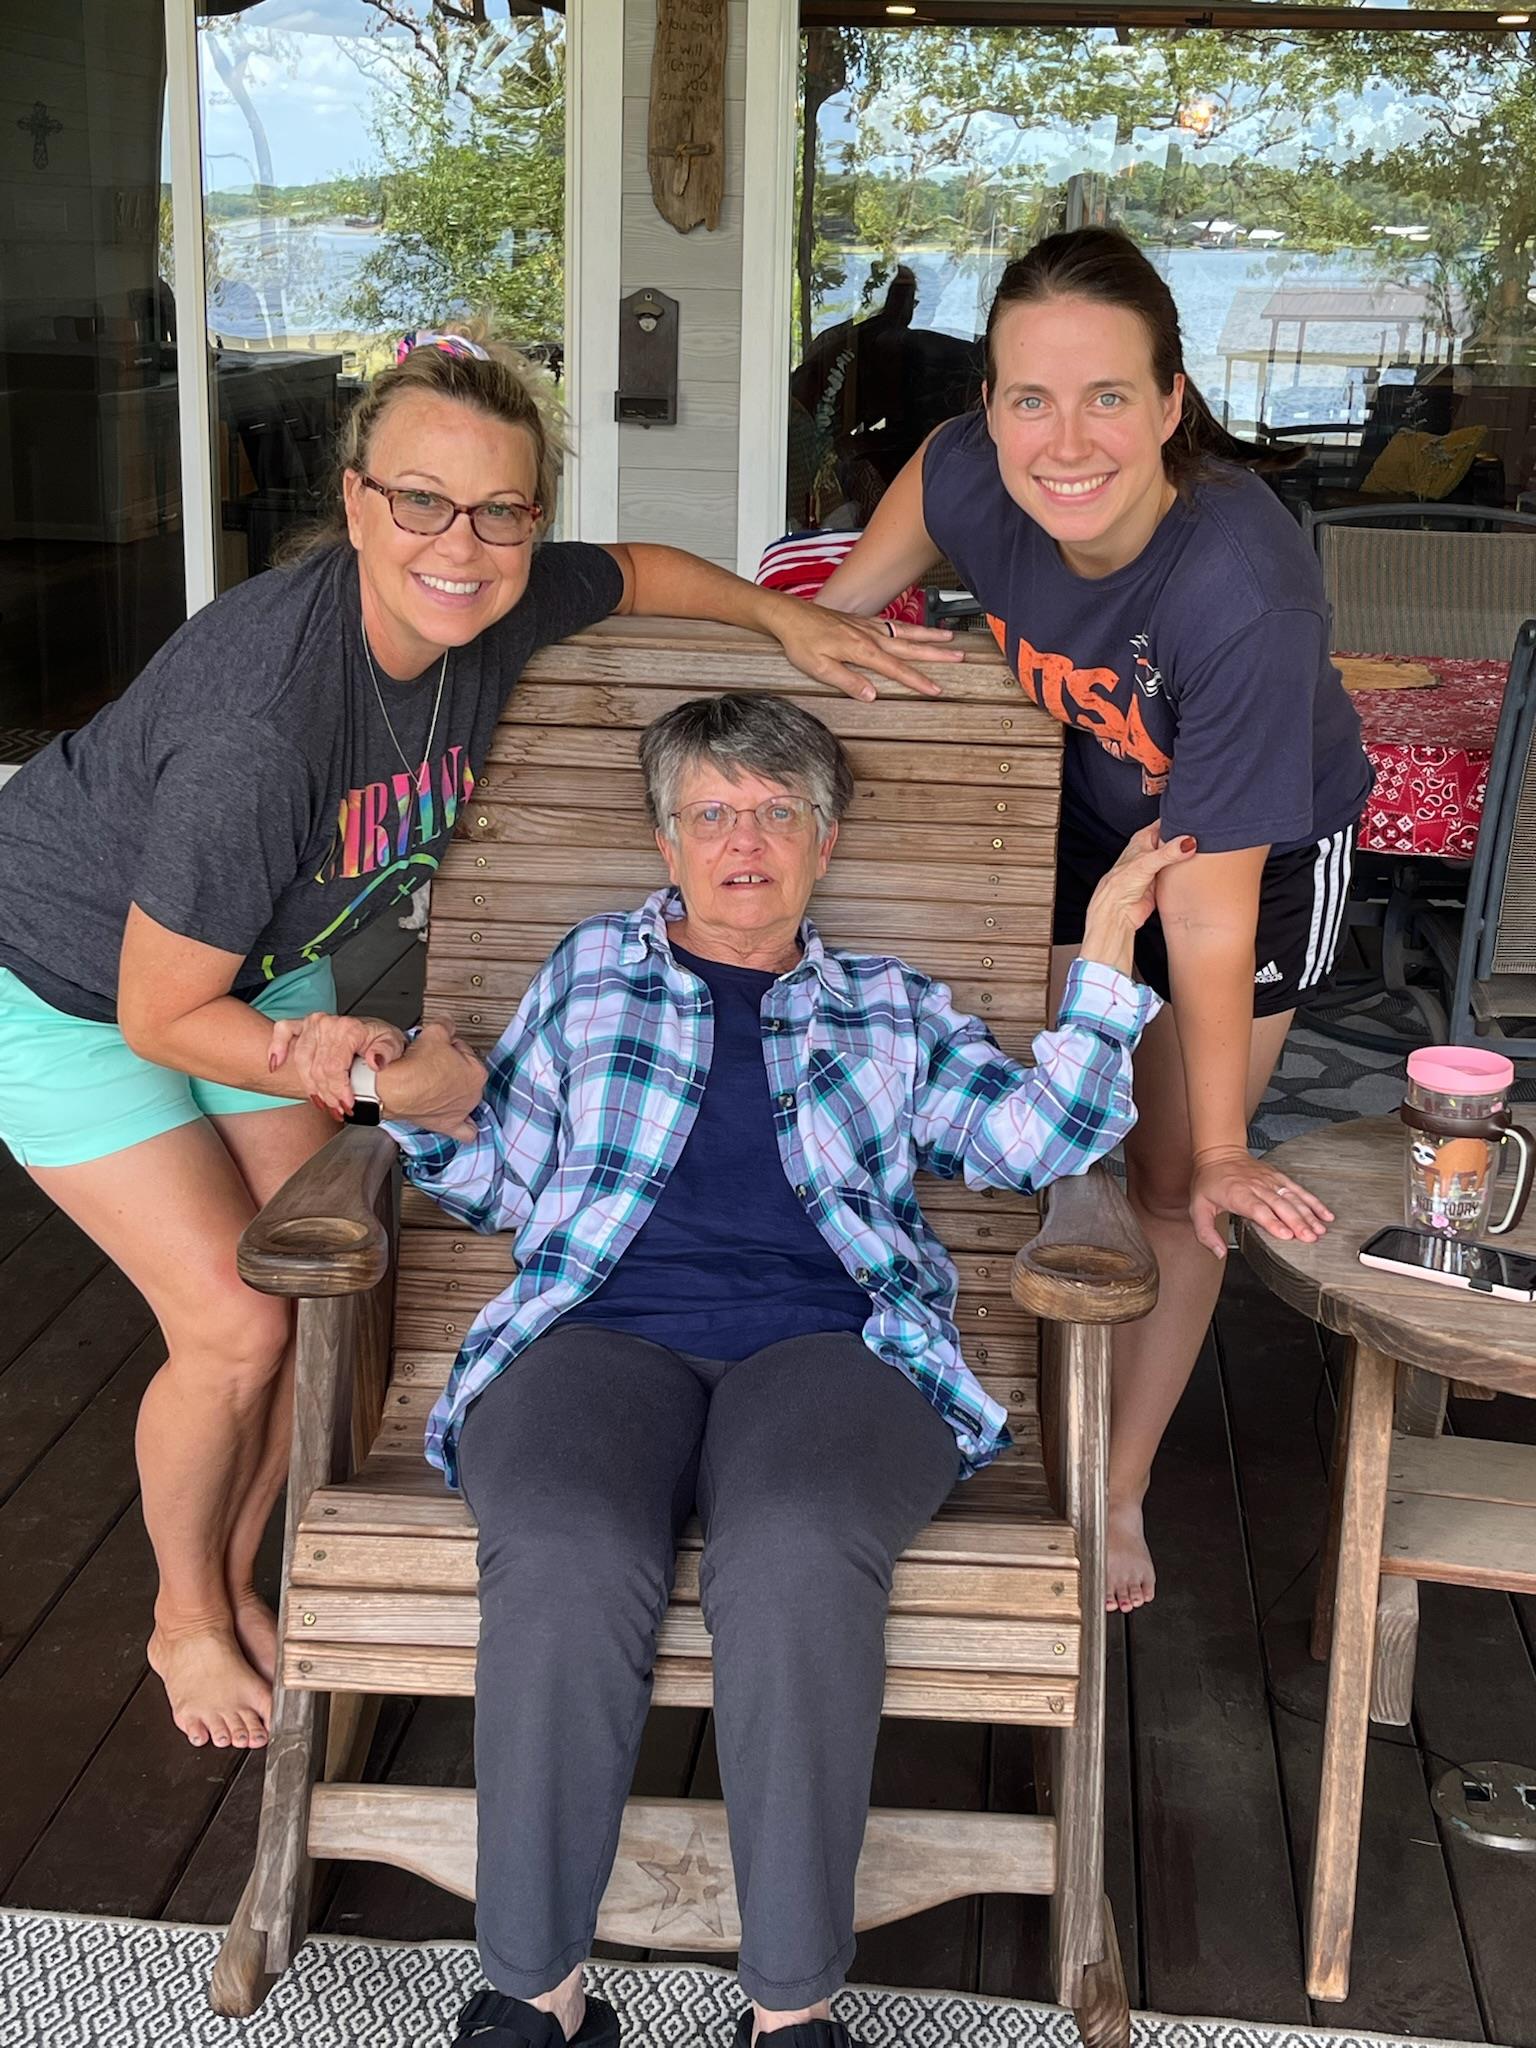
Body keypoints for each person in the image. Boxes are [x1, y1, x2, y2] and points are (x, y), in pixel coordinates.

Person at [0, 327, 961, 1755]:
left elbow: (639, 570)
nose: (464, 542)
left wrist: (786, 624)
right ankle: (184, 1611)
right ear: (353, 502)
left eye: (504, 509)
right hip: (66, 986)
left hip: (249, 963)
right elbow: (157, 1015)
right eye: (422, 503)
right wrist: (386, 1073)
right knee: (236, 1316)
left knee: (333, 1285)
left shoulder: (493, 601)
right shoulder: (265, 722)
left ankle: (243, 1557)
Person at [277, 692, 1191, 2048]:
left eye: (775, 812)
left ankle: (794, 2011)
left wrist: (1109, 949)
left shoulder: (886, 1002)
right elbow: (509, 1184)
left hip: (836, 1345)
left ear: (824, 842)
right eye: (711, 812)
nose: (743, 840)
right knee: (567, 1538)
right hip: (596, 1331)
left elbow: (1033, 1141)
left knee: (800, 1540)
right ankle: (533, 1995)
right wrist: (429, 1111)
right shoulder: (589, 972)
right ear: (664, 839)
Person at [812, 227, 1372, 1612]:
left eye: (1109, 396)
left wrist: (1238, 1144)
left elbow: (1211, 892)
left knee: (1180, 1180)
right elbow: (834, 623)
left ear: (1173, 403)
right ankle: (995, 1392)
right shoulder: (959, 474)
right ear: (986, 406)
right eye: (1030, 398)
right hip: (1081, 808)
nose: (1067, 441)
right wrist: (844, 647)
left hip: (1254, 852)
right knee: (1058, 1108)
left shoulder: (1240, 584)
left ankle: (1116, 1491)